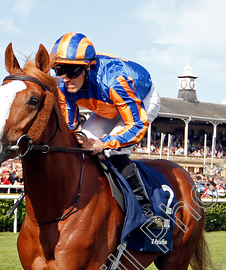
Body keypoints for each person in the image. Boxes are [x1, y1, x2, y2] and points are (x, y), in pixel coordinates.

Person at [51, 32, 163, 227]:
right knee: (81, 145)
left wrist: (103, 143)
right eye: (59, 70)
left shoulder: (115, 81)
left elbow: (136, 125)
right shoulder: (63, 85)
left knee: (113, 151)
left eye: (72, 71)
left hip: (141, 100)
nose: (65, 78)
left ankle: (146, 211)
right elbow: (70, 126)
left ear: (87, 67)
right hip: (107, 106)